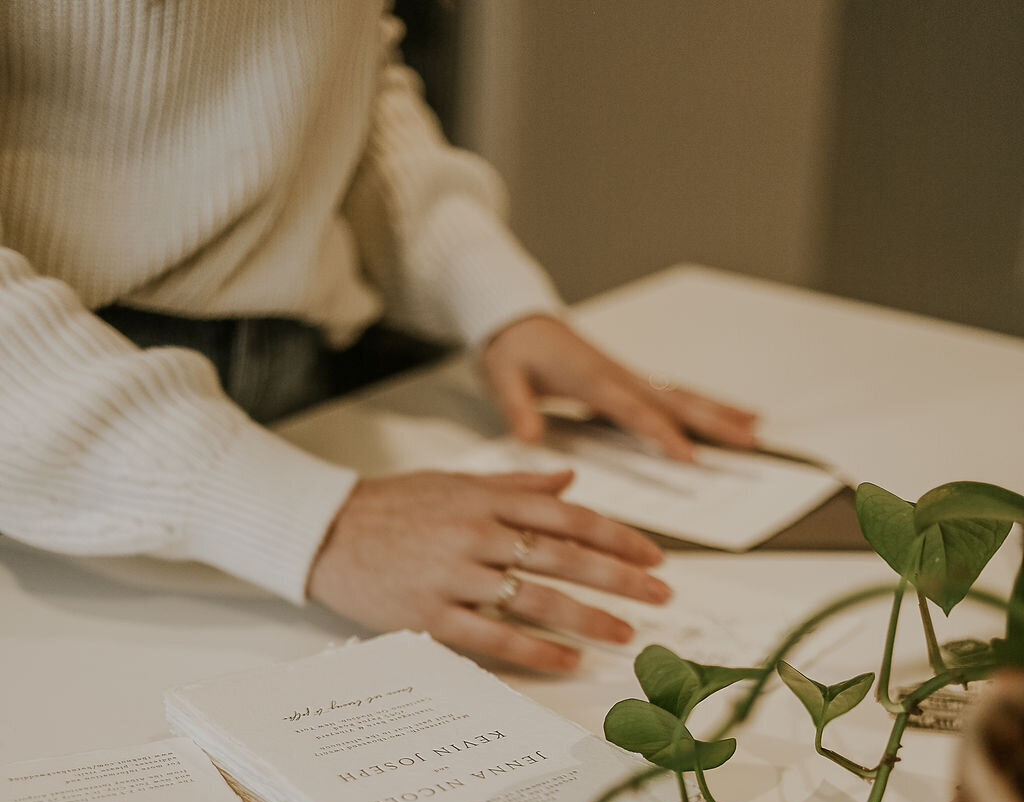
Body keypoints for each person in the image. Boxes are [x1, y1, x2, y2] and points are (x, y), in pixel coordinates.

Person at [0, 3, 758, 673]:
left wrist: (493, 296)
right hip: (47, 444)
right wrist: (312, 521)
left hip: (300, 389)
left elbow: (348, 73)